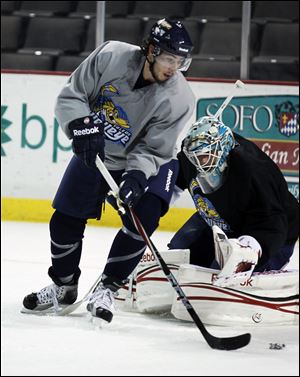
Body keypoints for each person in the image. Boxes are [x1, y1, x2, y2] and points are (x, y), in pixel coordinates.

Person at [22, 18, 195, 322]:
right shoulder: (110, 56)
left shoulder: (179, 98)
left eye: (180, 61)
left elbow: (155, 149)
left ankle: (109, 287)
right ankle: (64, 286)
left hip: (151, 161)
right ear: (151, 50)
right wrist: (80, 126)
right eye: (169, 58)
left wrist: (137, 176)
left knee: (144, 218)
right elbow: (73, 94)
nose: (173, 67)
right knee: (63, 221)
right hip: (99, 153)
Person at [168, 115, 299, 283]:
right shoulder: (193, 156)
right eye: (194, 158)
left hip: (269, 232)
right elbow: (173, 181)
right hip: (221, 219)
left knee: (225, 271)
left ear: (223, 149)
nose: (197, 164)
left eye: (203, 157)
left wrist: (250, 249)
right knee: (178, 255)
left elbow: (273, 223)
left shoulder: (254, 171)